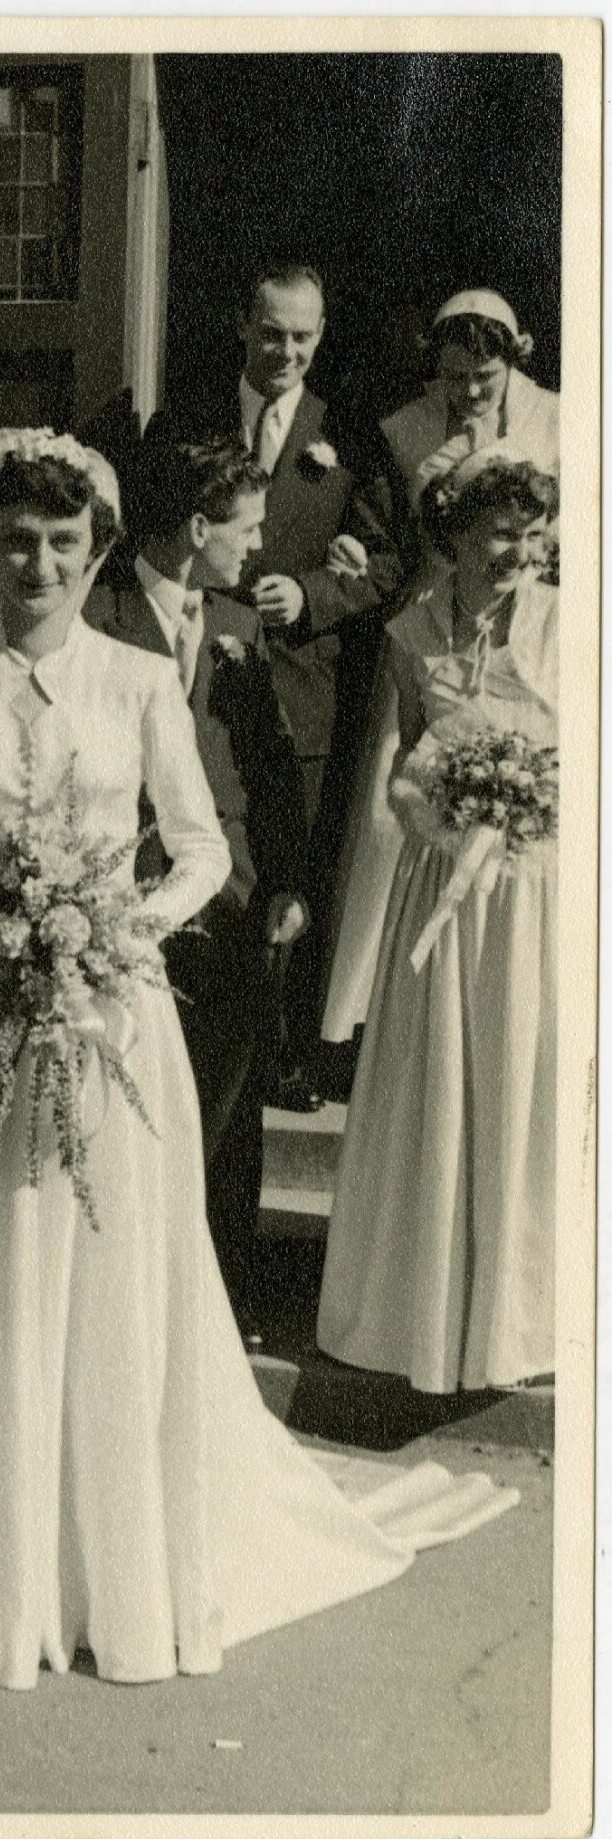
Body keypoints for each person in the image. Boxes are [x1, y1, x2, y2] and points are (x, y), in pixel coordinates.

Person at [0, 429, 518, 1693]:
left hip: (110, 1016)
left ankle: (110, 1563)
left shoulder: (136, 676)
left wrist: (115, 925)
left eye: (61, 543)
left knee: (102, 1276)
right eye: (16, 543)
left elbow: (201, 845)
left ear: (94, 551)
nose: (37, 563)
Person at [317, 452, 558, 1394]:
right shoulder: (413, 629)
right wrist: (443, 808)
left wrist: (532, 804)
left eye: (532, 535)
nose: (518, 552)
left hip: (534, 890)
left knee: (520, 1077)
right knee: (438, 1082)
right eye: (500, 533)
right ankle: (414, 1309)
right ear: (455, 537)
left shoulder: (570, 616)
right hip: (440, 891)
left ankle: (518, 1318)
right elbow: (403, 763)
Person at [85, 432, 308, 1343]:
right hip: (120, 899)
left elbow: (271, 767)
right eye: (245, 529)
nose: (256, 549)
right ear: (195, 525)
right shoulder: (95, 613)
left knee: (227, 1102)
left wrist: (286, 880)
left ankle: (222, 1299)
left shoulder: (239, 627)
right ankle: (128, 1296)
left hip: (230, 898)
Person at [321, 290, 560, 1061]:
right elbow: (385, 537)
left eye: (483, 376)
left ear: (512, 361)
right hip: (431, 633)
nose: (467, 392)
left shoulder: (559, 418)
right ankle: (368, 1017)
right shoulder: (403, 430)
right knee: (397, 825)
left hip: (526, 637)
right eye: (453, 376)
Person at [191, 261, 381, 1111]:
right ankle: (217, 1038)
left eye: (304, 337)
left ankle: (284, 1054)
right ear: (243, 326)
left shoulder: (346, 435)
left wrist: (313, 593)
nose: (287, 351)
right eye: (273, 333)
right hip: (204, 678)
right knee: (220, 853)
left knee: (291, 864)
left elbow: (385, 561)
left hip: (301, 688)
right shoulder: (191, 419)